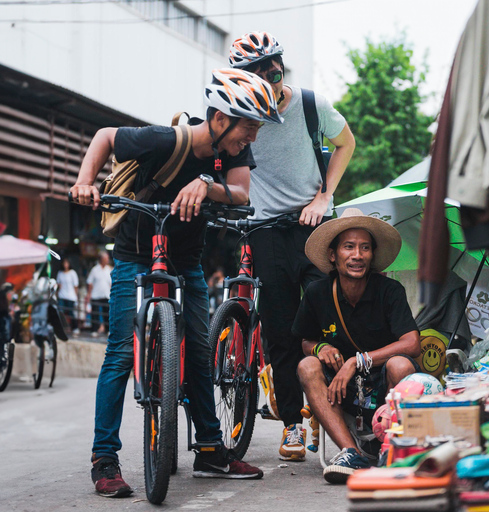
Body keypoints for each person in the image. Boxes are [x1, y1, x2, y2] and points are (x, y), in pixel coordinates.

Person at [69, 69, 282, 498]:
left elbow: (240, 193)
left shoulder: (231, 156)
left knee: (201, 350)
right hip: (134, 255)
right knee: (119, 354)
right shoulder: (166, 140)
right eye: (249, 127)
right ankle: (104, 459)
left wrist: (205, 184)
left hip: (185, 260)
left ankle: (208, 449)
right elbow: (107, 136)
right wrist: (84, 182)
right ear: (221, 118)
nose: (253, 138)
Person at [229, 30, 356, 461]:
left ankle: (338, 411)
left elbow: (347, 143)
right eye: (261, 68)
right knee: (280, 329)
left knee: (331, 318)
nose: (271, 72)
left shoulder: (308, 103)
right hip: (265, 229)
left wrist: (324, 197)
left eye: (275, 63)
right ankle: (293, 425)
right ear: (246, 77)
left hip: (314, 223)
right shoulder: (241, 115)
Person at [293, 208, 421, 484]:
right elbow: (306, 341)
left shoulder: (389, 291)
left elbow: (411, 343)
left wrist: (357, 361)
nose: (357, 255)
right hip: (340, 388)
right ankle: (351, 452)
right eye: (348, 247)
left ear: (372, 256)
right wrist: (319, 349)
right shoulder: (317, 292)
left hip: (382, 381)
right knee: (307, 366)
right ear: (332, 255)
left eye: (365, 248)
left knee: (401, 364)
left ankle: (393, 447)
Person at [86, 251, 111, 336]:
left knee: (107, 313)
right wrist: (89, 294)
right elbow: (89, 282)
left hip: (106, 294)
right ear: (101, 259)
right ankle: (94, 330)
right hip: (96, 294)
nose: (107, 260)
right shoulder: (95, 270)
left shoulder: (109, 269)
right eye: (105, 259)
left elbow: (111, 283)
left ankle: (107, 330)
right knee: (95, 313)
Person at [57, 257, 79, 332]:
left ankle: (75, 327)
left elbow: (76, 286)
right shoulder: (60, 273)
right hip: (62, 295)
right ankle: (62, 327)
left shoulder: (72, 273)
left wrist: (76, 297)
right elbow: (58, 284)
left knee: (71, 313)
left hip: (70, 296)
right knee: (60, 312)